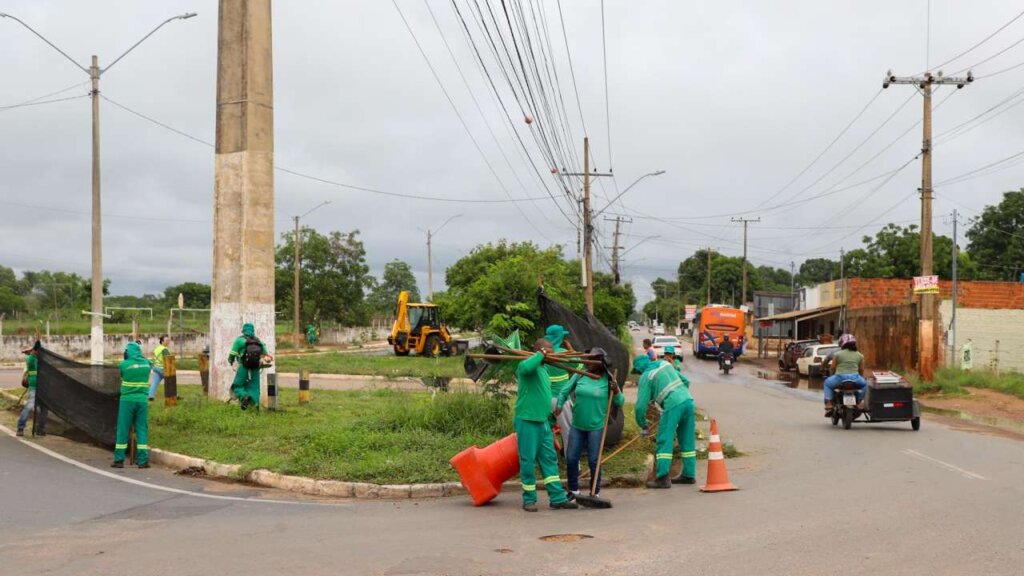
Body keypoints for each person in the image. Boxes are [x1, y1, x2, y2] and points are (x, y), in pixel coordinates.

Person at [514, 338, 576, 512]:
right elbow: (525, 368)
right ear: (541, 350)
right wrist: (541, 354)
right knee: (528, 460)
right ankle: (529, 499)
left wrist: (551, 414)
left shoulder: (543, 369)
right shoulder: (526, 365)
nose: (554, 353)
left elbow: (543, 393)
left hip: (542, 421)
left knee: (549, 459)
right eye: (550, 350)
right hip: (527, 420)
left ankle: (557, 498)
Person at [555, 348, 624, 499]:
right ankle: (574, 490)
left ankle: (595, 492)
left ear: (600, 362)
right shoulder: (580, 375)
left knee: (594, 460)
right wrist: (559, 405)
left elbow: (620, 401)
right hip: (577, 424)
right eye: (587, 358)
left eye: (591, 359)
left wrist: (616, 391)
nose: (586, 361)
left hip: (597, 427)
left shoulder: (608, 379)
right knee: (572, 458)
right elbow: (564, 391)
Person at [633, 354, 696, 488]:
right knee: (687, 439)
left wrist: (643, 425)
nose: (638, 374)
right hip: (688, 401)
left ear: (639, 369)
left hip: (673, 405)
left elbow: (640, 407)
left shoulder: (647, 376)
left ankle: (662, 477)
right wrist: (680, 398)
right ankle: (689, 474)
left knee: (664, 439)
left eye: (637, 372)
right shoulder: (665, 364)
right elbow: (685, 381)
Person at [112, 341, 152, 469]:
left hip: (127, 401)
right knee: (141, 429)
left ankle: (119, 460)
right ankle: (143, 461)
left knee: (123, 429)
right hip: (142, 401)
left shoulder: (124, 365)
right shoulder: (146, 364)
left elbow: (122, 375)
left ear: (127, 352)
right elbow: (149, 363)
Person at [543, 324, 578, 454]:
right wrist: (570, 349)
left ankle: (550, 460)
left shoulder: (541, 353)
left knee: (545, 431)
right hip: (561, 400)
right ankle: (573, 463)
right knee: (568, 431)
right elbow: (579, 366)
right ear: (559, 337)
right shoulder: (563, 354)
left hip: (544, 399)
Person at [229, 322, 272, 411]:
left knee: (237, 386)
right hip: (255, 368)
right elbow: (265, 355)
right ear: (253, 330)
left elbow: (232, 355)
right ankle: (255, 408)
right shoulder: (259, 341)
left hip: (243, 367)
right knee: (254, 388)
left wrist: (231, 361)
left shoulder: (239, 340)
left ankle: (244, 396)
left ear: (243, 330)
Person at [823, 334, 868, 413]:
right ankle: (860, 401)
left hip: (840, 378)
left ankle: (829, 403)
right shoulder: (859, 355)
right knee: (865, 384)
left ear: (842, 343)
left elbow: (833, 367)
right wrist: (860, 377)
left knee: (827, 383)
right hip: (855, 378)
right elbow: (861, 369)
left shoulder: (838, 354)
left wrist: (832, 375)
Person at [16, 342, 47, 437]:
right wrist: (37, 344)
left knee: (44, 409)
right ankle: (20, 428)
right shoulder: (30, 359)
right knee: (29, 407)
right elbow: (35, 349)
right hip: (34, 386)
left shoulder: (39, 360)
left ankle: (40, 429)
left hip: (42, 387)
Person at [148, 335, 171, 401]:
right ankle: (174, 395)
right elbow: (168, 360)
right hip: (162, 368)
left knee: (155, 382)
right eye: (166, 340)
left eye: (168, 340)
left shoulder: (157, 348)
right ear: (162, 341)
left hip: (155, 367)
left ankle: (151, 396)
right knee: (170, 382)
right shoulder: (165, 349)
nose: (168, 342)